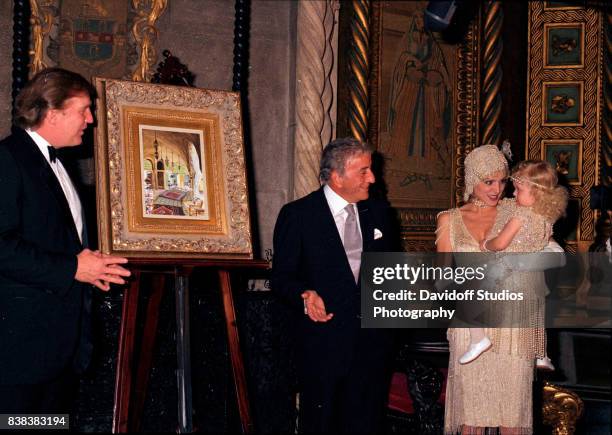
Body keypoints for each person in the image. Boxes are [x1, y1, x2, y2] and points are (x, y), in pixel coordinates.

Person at [0, 67, 131, 414]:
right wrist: (73, 267)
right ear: (52, 112)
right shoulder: (8, 159)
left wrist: (91, 264)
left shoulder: (58, 163)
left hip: (59, 348)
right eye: (83, 110)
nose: (91, 119)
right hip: (19, 352)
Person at [271, 138, 398, 434]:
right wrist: (305, 294)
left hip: (372, 347)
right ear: (337, 177)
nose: (373, 178)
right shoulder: (298, 215)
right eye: (364, 171)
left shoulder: (379, 213)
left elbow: (391, 275)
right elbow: (281, 278)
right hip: (323, 347)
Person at [436, 145, 565, 434]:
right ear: (472, 180)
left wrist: (515, 264)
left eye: (503, 181)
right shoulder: (449, 219)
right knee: (472, 415)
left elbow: (557, 254)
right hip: (472, 328)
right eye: (488, 182)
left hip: (514, 325)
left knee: (513, 414)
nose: (497, 190)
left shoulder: (518, 208)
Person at [458, 160, 568, 369]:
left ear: (536, 192)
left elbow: (501, 243)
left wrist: (486, 245)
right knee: (535, 313)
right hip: (528, 281)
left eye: (518, 190)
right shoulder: (545, 217)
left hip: (503, 268)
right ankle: (541, 354)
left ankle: (478, 338)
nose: (513, 194)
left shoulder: (520, 214)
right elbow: (547, 244)